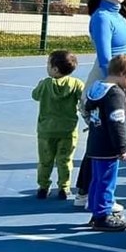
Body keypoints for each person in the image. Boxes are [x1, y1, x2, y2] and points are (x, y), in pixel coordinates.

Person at [74, 0, 126, 207]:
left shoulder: (119, 16)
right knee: (106, 137)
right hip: (113, 80)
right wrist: (120, 94)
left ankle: (90, 192)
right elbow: (106, 60)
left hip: (125, 78)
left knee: (113, 136)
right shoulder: (102, 17)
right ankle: (91, 194)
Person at [84, 54, 126, 231]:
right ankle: (103, 215)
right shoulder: (115, 93)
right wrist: (122, 147)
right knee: (107, 181)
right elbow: (117, 122)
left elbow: (90, 108)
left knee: (97, 180)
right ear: (123, 74)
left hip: (95, 143)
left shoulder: (98, 88)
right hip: (108, 146)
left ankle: (96, 210)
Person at [32, 50, 84, 200]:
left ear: (55, 69)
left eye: (48, 64)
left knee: (45, 160)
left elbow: (35, 96)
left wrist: (40, 86)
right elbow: (84, 99)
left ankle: (43, 187)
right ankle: (64, 188)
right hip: (68, 131)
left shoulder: (45, 84)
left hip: (46, 131)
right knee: (65, 160)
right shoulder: (76, 84)